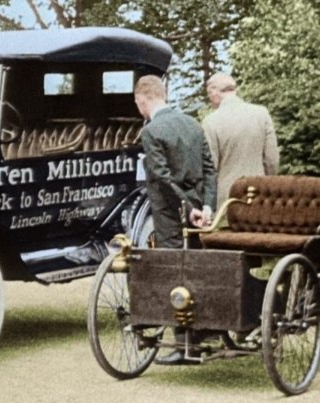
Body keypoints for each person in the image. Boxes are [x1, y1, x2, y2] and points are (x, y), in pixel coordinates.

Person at [134, 74, 217, 365]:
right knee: (197, 265)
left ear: (143, 98)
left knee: (174, 271)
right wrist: (206, 206)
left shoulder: (152, 131)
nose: (139, 108)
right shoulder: (193, 123)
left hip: (170, 213)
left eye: (138, 103)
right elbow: (209, 169)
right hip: (197, 207)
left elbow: (161, 177)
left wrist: (185, 207)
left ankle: (183, 344)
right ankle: (203, 332)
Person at [202, 72, 279, 208]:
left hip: (227, 198)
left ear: (214, 92)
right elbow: (272, 161)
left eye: (209, 95)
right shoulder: (261, 113)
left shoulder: (210, 122)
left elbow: (211, 167)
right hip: (259, 193)